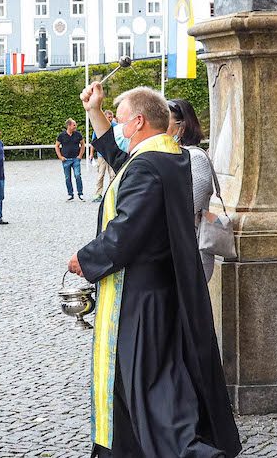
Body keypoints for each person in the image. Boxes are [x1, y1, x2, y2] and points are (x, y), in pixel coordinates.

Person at [69, 83, 241, 458]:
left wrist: (85, 259)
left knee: (150, 391)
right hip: (163, 288)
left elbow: (126, 232)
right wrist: (95, 111)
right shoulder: (169, 157)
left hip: (141, 296)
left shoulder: (148, 165)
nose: (120, 128)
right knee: (142, 387)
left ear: (139, 122)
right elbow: (120, 161)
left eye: (123, 122)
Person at [168, 99, 218, 282]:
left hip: (193, 248)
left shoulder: (195, 157)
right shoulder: (170, 155)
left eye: (167, 122)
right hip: (177, 248)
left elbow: (189, 206)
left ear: (183, 126)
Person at [55, 118, 86, 201]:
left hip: (76, 159)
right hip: (66, 159)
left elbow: (83, 144)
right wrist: (60, 157)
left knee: (77, 175)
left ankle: (80, 193)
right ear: (68, 126)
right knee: (67, 177)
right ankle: (70, 194)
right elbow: (57, 146)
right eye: (74, 125)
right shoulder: (61, 135)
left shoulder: (78, 134)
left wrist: (80, 155)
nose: (75, 126)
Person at [90, 110, 117, 202]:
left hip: (113, 154)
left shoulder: (116, 127)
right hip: (101, 154)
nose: (109, 119)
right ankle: (98, 194)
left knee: (113, 175)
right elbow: (94, 142)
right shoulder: (98, 126)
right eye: (108, 117)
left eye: (111, 117)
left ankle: (111, 194)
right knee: (100, 174)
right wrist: (91, 154)